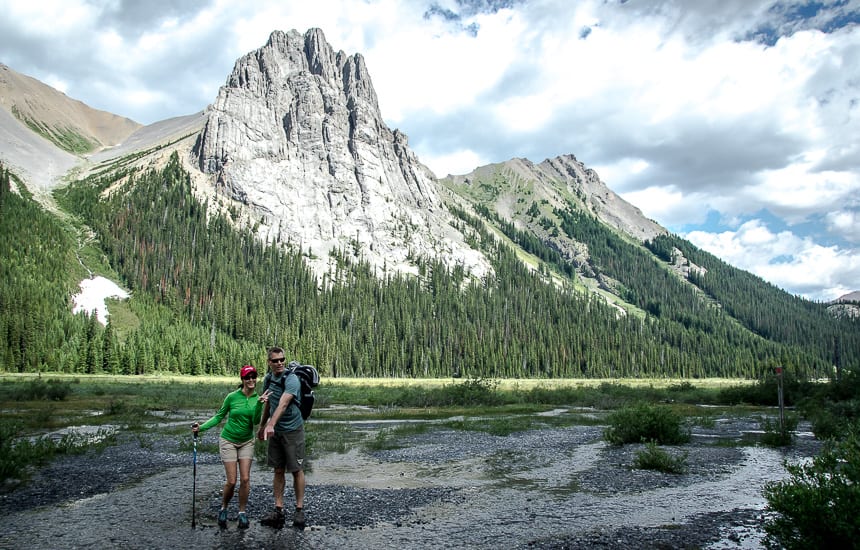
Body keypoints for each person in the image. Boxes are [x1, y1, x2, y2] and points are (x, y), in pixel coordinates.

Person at [192, 365, 269, 529]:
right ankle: (224, 508)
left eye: (253, 376)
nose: (251, 380)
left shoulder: (257, 398)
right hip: (228, 440)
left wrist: (260, 405)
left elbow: (255, 422)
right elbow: (219, 416)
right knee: (232, 481)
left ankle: (242, 512)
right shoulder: (232, 397)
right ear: (242, 380)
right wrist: (202, 428)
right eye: (247, 377)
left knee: (246, 479)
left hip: (246, 441)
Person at [258, 346, 306, 529]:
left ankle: (299, 510)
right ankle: (279, 510)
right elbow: (269, 403)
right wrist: (263, 425)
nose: (279, 363)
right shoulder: (269, 379)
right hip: (275, 431)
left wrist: (271, 424)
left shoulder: (292, 379)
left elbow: (284, 403)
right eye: (275, 360)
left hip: (293, 430)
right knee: (278, 469)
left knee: (296, 469)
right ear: (269, 362)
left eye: (282, 360)